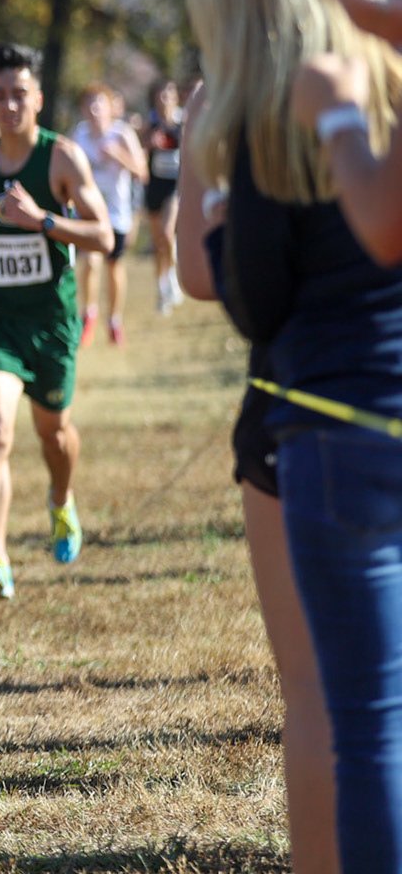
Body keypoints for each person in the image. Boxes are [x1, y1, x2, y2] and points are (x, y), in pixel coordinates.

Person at [194, 0, 402, 869]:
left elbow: (246, 297)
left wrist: (212, 173)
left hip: (327, 425)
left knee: (342, 712)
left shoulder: (280, 108)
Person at [177, 73, 336, 872]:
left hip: (301, 420)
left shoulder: (267, 108)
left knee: (317, 695)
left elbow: (214, 278)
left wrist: (203, 160)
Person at [0, 43, 113, 600]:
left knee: (53, 432)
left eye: (20, 94)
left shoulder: (60, 157)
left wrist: (43, 221)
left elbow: (104, 236)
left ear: (37, 98)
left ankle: (61, 501)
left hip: (50, 319)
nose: (9, 105)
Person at [70, 84, 146, 345]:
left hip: (117, 213)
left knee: (114, 266)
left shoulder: (121, 134)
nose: (94, 109)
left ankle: (114, 320)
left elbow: (142, 172)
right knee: (90, 262)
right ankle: (88, 313)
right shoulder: (78, 135)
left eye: (99, 103)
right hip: (88, 213)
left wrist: (119, 156)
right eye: (89, 104)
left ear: (109, 106)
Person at [143, 79, 185, 316]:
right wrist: (148, 144)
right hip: (154, 188)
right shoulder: (150, 124)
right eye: (160, 95)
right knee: (159, 241)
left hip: (175, 188)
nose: (165, 99)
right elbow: (140, 152)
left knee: (168, 233)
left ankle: (172, 279)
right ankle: (162, 288)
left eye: (169, 94)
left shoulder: (183, 121)